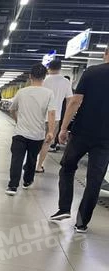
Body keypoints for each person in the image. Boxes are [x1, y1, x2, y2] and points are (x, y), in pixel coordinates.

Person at [50, 46, 109, 233]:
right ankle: (82, 223)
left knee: (67, 167)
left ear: (105, 53)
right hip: (106, 139)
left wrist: (63, 128)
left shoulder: (92, 72)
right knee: (95, 180)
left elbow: (75, 101)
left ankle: (64, 208)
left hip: (82, 132)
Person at [5, 63, 57, 196]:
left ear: (30, 76)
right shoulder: (49, 93)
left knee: (16, 159)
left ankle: (12, 186)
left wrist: (17, 120)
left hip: (20, 133)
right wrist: (51, 131)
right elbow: (51, 113)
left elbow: (12, 109)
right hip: (37, 134)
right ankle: (27, 181)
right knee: (32, 159)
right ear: (44, 77)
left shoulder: (22, 92)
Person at [36, 59, 74, 173]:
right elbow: (69, 101)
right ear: (60, 68)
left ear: (49, 68)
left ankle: (30, 163)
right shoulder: (65, 82)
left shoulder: (44, 80)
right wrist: (67, 117)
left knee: (35, 141)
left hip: (39, 115)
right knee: (47, 143)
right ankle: (39, 166)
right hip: (55, 117)